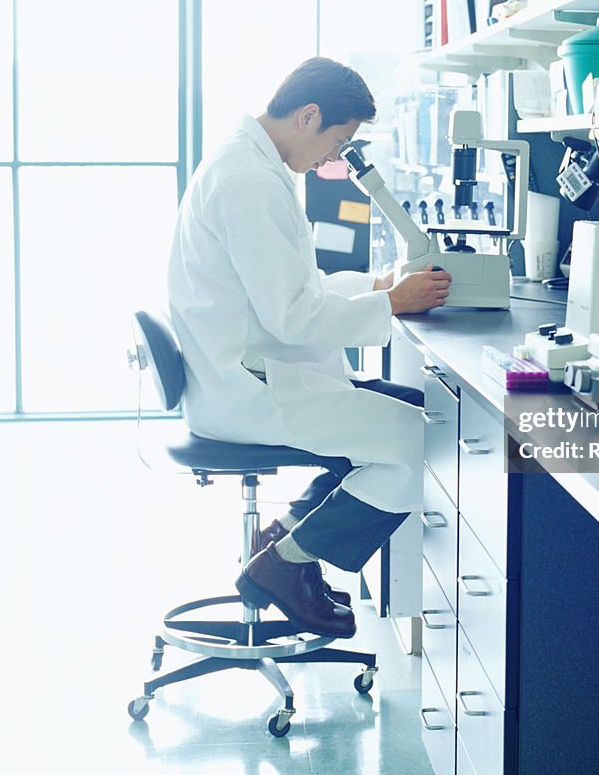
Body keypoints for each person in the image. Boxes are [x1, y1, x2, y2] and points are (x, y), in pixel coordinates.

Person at [167, 57, 452, 639]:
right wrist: (393, 304)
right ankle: (286, 565)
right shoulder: (249, 182)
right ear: (308, 116)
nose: (333, 158)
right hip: (249, 389)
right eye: (337, 140)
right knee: (427, 441)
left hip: (250, 368)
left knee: (415, 410)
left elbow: (292, 290)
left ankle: (292, 534)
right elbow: (293, 314)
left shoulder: (252, 164)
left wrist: (378, 289)